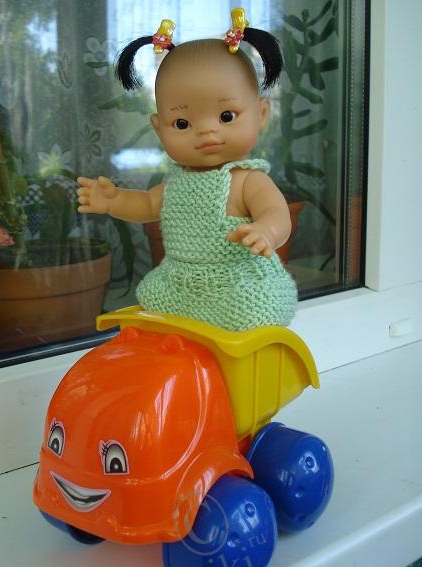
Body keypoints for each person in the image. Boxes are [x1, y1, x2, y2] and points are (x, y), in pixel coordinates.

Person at [77, 9, 297, 331]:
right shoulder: (176, 184)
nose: (206, 131)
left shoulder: (248, 181)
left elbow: (277, 214)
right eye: (182, 123)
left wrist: (266, 231)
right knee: (152, 300)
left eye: (226, 116)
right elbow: (147, 205)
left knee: (252, 311)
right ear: (159, 129)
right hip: (180, 284)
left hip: (237, 284)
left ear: (261, 114)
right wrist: (114, 201)